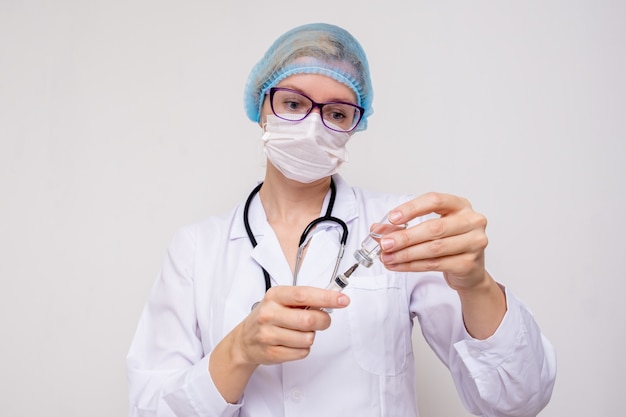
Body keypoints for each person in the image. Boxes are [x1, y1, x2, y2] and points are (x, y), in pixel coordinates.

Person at [126, 23, 556, 417]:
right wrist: (239, 349)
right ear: (261, 107)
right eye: (292, 102)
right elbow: (151, 407)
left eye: (335, 113)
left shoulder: (400, 230)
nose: (313, 127)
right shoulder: (197, 249)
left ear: (356, 123)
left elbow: (517, 401)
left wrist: (475, 284)